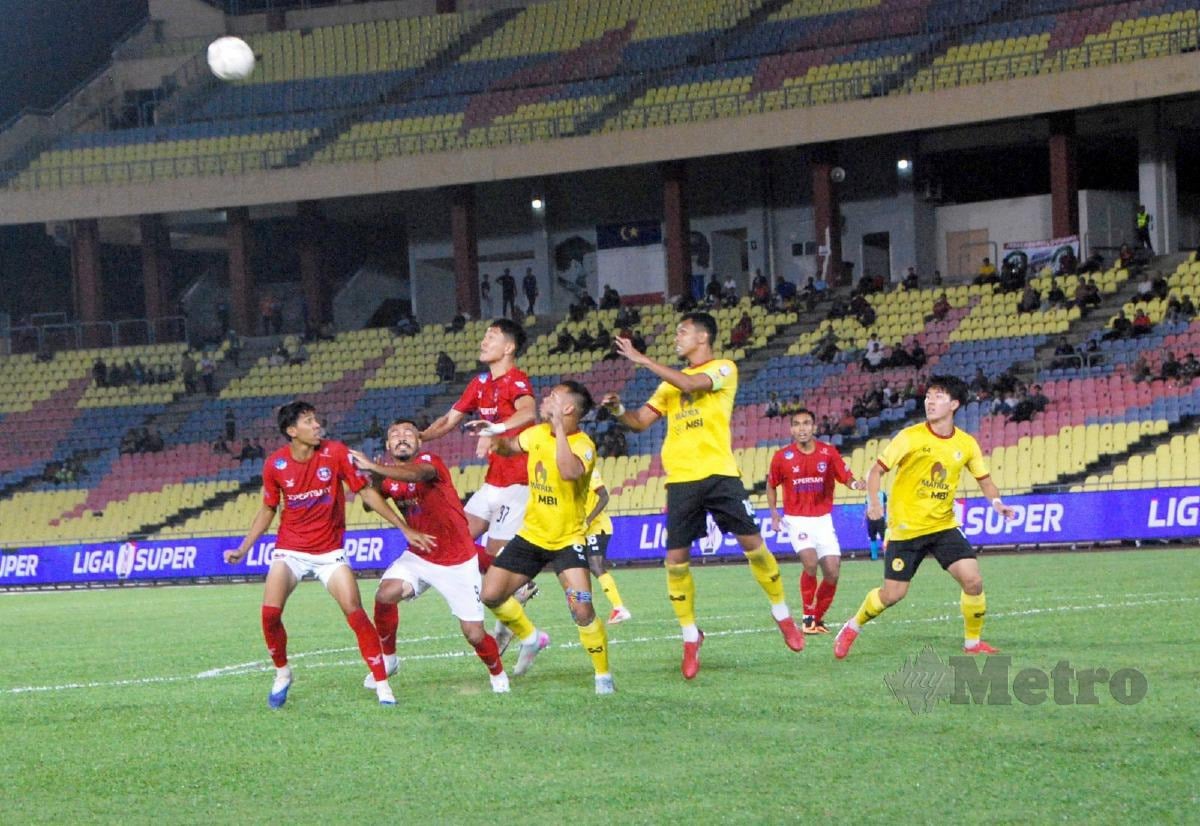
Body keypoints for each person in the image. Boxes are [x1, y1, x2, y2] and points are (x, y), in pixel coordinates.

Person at [604, 312, 806, 679]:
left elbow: (692, 383)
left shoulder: (724, 368)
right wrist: (618, 410)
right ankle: (689, 637)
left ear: (703, 338)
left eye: (682, 332)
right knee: (676, 561)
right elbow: (638, 422)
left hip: (720, 475)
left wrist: (643, 360)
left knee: (755, 546)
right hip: (681, 481)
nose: (677, 338)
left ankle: (782, 613)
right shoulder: (668, 387)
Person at [223, 401, 435, 707]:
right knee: (270, 614)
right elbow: (268, 508)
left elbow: (364, 491)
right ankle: (282, 673)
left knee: (355, 612)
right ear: (292, 431)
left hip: (329, 552)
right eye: (308, 421)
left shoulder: (335, 452)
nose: (316, 424)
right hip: (290, 550)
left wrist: (403, 527)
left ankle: (382, 684)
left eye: (315, 418)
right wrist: (244, 548)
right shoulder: (275, 465)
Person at [833, 376, 1016, 660]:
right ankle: (852, 626)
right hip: (906, 529)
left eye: (938, 396)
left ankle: (972, 643)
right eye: (928, 396)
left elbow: (984, 479)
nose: (930, 401)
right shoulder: (909, 436)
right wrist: (873, 503)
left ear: (954, 404)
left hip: (943, 526)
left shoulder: (966, 444)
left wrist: (997, 503)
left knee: (973, 581)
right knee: (892, 595)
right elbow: (876, 471)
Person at [476, 382, 616, 694]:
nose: (546, 398)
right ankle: (531, 636)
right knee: (491, 594)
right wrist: (493, 438)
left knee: (581, 608)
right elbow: (511, 446)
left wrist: (557, 430)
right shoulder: (536, 433)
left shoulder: (584, 445)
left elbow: (568, 472)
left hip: (568, 541)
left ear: (568, 409)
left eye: (554, 396)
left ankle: (603, 676)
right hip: (532, 536)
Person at [349, 421, 509, 693]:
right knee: (385, 594)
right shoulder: (388, 475)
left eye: (409, 433)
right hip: (419, 556)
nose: (402, 438)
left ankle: (497, 674)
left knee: (474, 633)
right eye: (395, 435)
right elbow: (367, 504)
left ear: (419, 442)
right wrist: (374, 478)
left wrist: (375, 468)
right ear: (388, 446)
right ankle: (389, 660)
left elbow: (417, 475)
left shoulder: (428, 462)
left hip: (457, 560)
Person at [419, 318, 539, 649]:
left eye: (492, 336)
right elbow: (450, 419)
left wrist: (495, 429)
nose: (484, 341)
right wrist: (419, 437)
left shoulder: (516, 381)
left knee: (498, 567)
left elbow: (529, 412)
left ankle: (516, 616)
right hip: (493, 483)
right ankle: (520, 590)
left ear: (509, 347)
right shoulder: (480, 382)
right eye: (484, 336)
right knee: (454, 535)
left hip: (518, 483)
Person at [766, 409, 866, 635]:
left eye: (807, 423)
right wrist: (774, 514)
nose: (802, 428)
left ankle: (816, 620)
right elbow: (771, 484)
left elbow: (845, 477)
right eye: (797, 424)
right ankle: (807, 616)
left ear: (814, 427)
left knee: (832, 571)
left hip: (822, 520)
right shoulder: (782, 457)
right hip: (796, 520)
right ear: (791, 429)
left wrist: (855, 485)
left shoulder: (828, 453)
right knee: (810, 563)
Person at [582, 463, 631, 625]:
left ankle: (619, 608)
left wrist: (589, 519)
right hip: (581, 530)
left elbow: (605, 496)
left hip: (597, 527)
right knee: (579, 570)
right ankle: (583, 606)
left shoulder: (589, 471)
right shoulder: (568, 474)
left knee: (595, 565)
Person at [865, 490, 887, 561]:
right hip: (880, 518)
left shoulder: (868, 494)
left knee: (873, 538)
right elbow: (885, 506)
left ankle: (874, 557)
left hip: (871, 518)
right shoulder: (883, 494)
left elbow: (866, 508)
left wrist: (865, 518)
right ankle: (886, 556)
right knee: (883, 538)